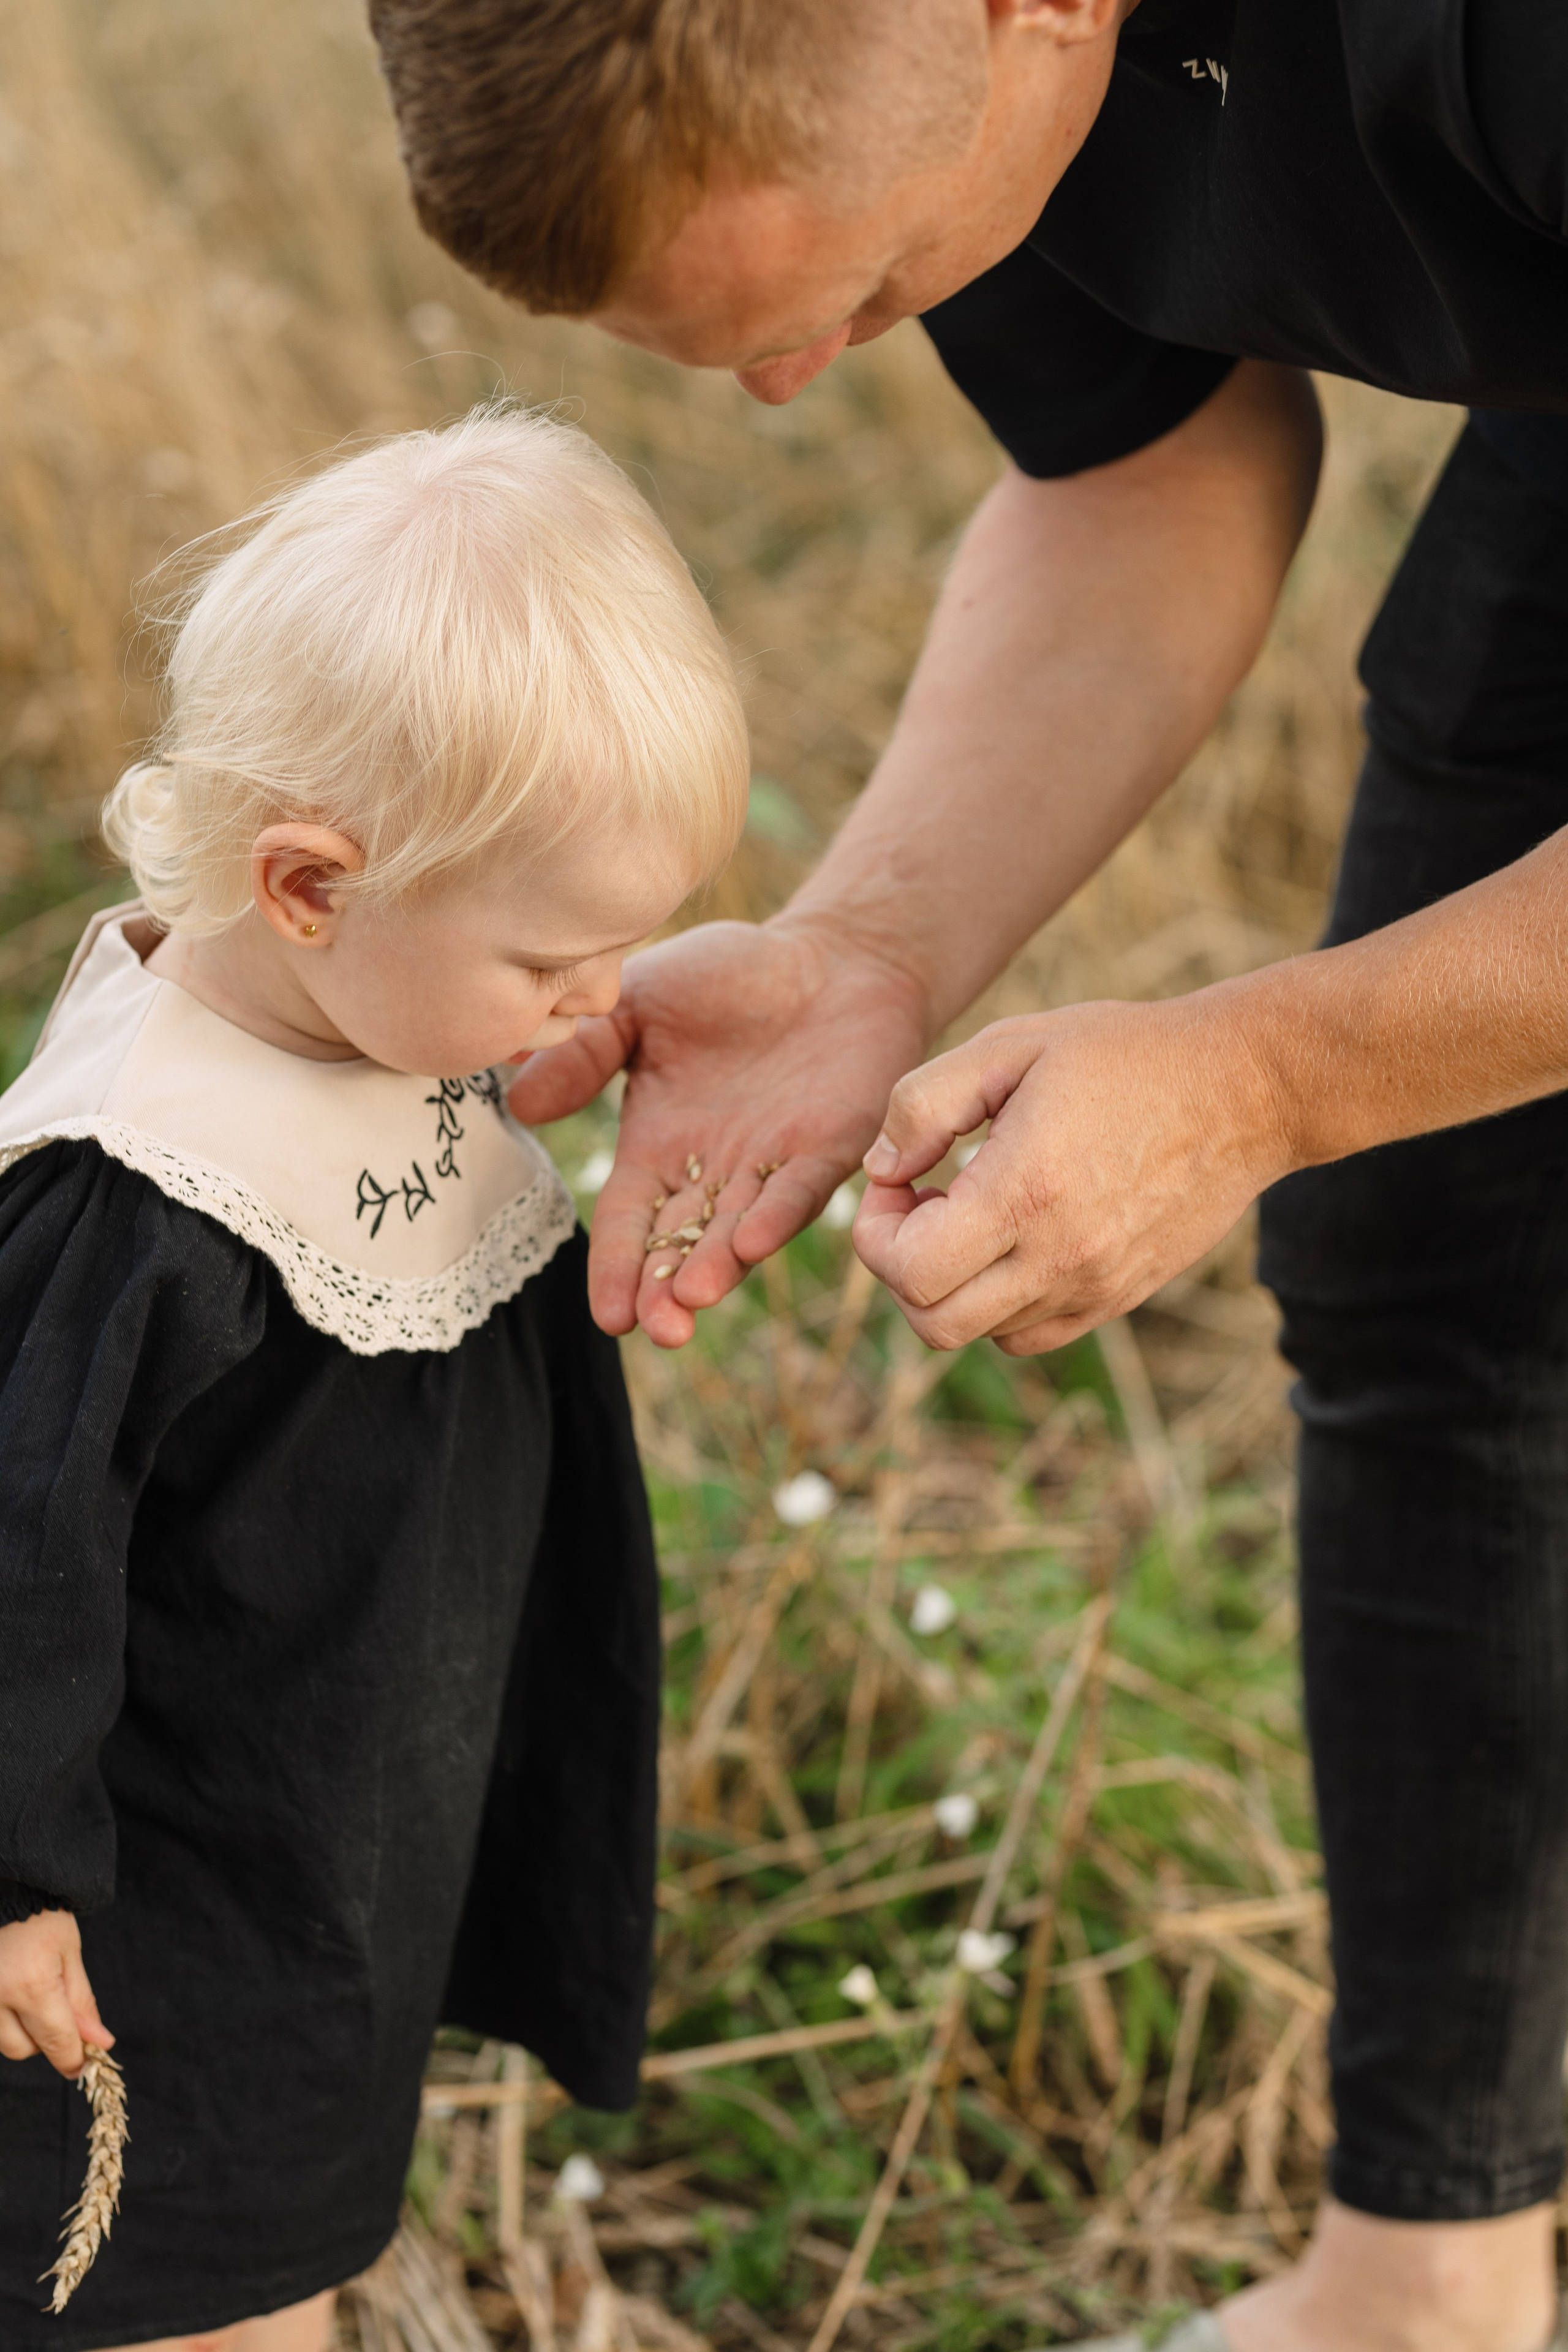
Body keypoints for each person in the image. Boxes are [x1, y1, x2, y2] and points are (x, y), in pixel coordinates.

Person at [367, 4, 1568, 2349]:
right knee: (1441, 1244)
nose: (792, 389)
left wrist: (1264, 1077)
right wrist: (869, 951)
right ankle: (1431, 2284)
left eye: (864, 290)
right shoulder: (944, 66)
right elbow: (1151, 463)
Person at [0, 405, 748, 2351]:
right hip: (165, 1889)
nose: (601, 999)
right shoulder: (140, 1201)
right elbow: (17, 1560)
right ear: (312, 887)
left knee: (299, 2184)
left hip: (331, 1819)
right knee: (180, 2255)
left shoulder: (385, 1017)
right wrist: (11, 1878)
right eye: (558, 959)